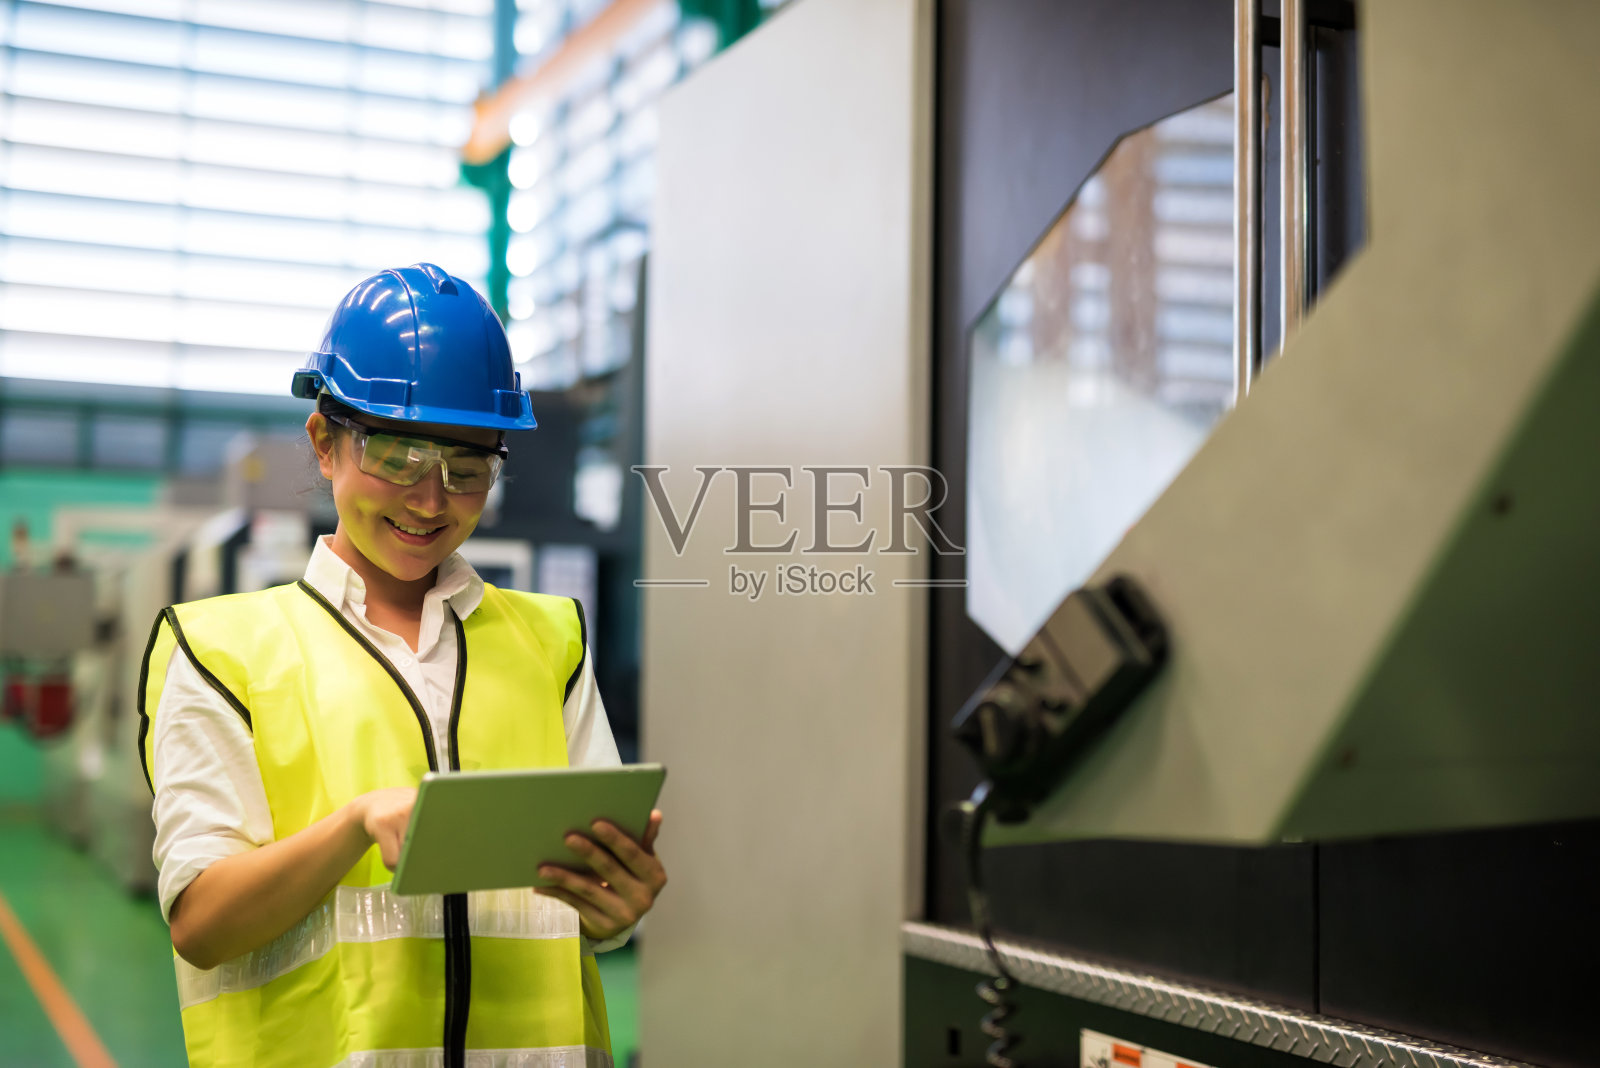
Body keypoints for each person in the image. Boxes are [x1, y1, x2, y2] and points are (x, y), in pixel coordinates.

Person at [139, 262, 665, 1068]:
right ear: (325, 442)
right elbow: (202, 923)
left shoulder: (549, 642)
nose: (429, 501)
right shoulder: (223, 653)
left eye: (465, 471)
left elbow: (590, 914)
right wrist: (353, 826)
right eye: (397, 457)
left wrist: (615, 909)